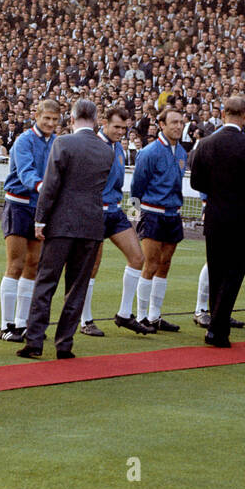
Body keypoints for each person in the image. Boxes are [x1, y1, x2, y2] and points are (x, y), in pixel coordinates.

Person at [18, 100, 112, 359]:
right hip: (91, 225)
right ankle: (64, 344)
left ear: (72, 118)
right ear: (95, 119)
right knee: (77, 287)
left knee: (46, 282)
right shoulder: (107, 151)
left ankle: (35, 341)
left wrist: (40, 219)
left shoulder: (63, 143)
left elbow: (50, 186)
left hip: (61, 224)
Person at [188, 96, 245, 348]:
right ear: (244, 116)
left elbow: (196, 183)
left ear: (223, 114)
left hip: (215, 214)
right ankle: (218, 328)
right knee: (233, 274)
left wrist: (217, 193)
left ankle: (216, 326)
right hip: (241, 216)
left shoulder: (206, 144)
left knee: (217, 271)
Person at [0, 100, 60, 342]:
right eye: (47, 118)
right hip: (18, 205)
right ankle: (6, 325)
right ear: (37, 116)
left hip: (41, 208)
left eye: (55, 120)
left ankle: (23, 323)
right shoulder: (24, 140)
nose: (50, 123)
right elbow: (26, 172)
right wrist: (45, 187)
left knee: (33, 265)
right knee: (16, 263)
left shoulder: (57, 142)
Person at [129, 106, 188, 334]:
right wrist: (134, 215)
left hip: (173, 214)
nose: (178, 126)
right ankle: (142, 316)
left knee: (165, 265)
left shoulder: (182, 153)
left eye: (181, 122)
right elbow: (137, 186)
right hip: (152, 213)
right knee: (150, 264)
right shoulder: (150, 152)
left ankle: (155, 316)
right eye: (173, 122)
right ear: (161, 125)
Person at [92, 105, 147, 336]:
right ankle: (85, 320)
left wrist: (133, 215)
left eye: (124, 128)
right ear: (104, 122)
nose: (120, 132)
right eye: (116, 127)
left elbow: (128, 185)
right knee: (91, 267)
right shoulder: (93, 145)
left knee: (137, 258)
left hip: (115, 211)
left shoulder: (120, 149)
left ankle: (124, 314)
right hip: (95, 212)